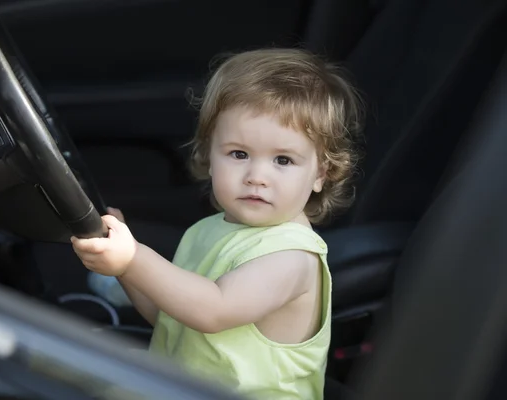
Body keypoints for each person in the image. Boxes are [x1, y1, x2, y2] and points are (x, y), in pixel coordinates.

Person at [71, 48, 363, 400]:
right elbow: (174, 318)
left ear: (321, 173)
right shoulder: (207, 230)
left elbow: (213, 310)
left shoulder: (292, 257)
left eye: (283, 160)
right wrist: (122, 266)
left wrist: (134, 258)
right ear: (210, 155)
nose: (257, 176)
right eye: (239, 154)